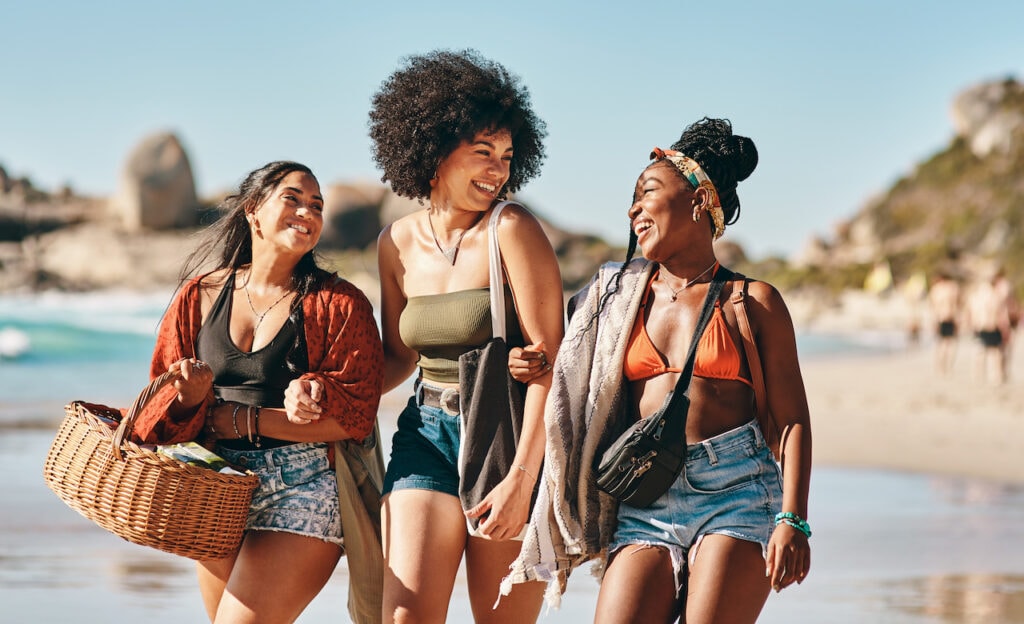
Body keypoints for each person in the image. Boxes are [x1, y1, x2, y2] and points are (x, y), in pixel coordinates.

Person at [504, 118, 812, 624]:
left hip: (735, 489)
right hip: (645, 492)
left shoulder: (752, 301)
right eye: (632, 199)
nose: (633, 210)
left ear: (698, 201)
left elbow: (793, 420)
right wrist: (533, 362)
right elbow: (574, 373)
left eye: (647, 192)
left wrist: (793, 519)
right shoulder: (614, 299)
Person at [130, 161, 385, 623]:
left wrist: (242, 419)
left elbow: (356, 416)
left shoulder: (339, 303)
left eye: (317, 206)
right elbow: (157, 402)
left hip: (302, 485)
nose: (307, 213)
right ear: (253, 211)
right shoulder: (199, 295)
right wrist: (190, 398)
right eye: (293, 199)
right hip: (215, 488)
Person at [369, 50, 564, 624]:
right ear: (433, 150)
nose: (498, 169)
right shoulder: (395, 242)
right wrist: (329, 393)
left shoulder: (512, 229)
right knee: (405, 615)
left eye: (506, 155)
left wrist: (523, 479)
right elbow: (399, 357)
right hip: (425, 431)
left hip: (505, 436)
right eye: (483, 152)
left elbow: (550, 365)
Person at [966, 266, 1013, 385]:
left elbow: (971, 311)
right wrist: (1005, 328)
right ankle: (995, 377)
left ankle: (978, 376)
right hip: (992, 326)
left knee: (980, 352)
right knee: (995, 353)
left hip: (981, 325)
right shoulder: (996, 295)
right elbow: (1002, 314)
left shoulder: (977, 296)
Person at [928, 271, 962, 375]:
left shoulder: (936, 290)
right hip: (949, 317)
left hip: (941, 318)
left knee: (942, 344)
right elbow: (958, 304)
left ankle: (941, 367)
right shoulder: (952, 288)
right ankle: (946, 367)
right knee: (949, 344)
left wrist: (933, 321)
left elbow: (932, 307)